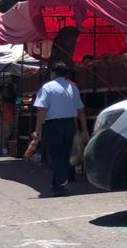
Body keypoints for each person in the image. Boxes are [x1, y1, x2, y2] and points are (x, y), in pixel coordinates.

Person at [32, 62, 88, 196]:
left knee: (55, 155)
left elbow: (42, 109)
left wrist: (37, 129)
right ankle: (57, 184)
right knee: (65, 154)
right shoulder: (72, 87)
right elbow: (81, 110)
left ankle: (61, 183)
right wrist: (85, 129)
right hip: (70, 124)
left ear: (53, 73)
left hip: (52, 125)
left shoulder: (47, 87)